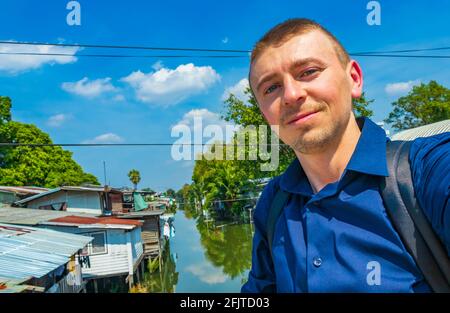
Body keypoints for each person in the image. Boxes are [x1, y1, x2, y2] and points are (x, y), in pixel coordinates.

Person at [241, 18, 449, 293]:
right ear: (264, 114)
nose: (291, 94)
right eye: (271, 88)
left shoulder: (425, 171)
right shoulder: (273, 203)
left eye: (308, 71)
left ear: (354, 79)